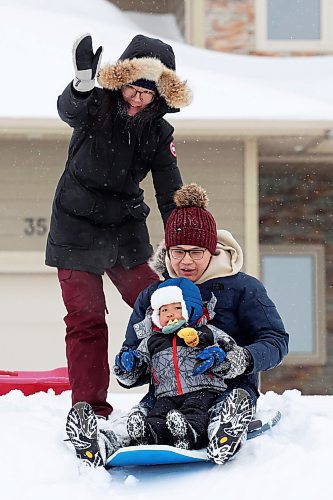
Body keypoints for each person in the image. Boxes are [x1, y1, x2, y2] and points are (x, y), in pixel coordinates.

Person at [66, 183, 288, 467]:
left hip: (226, 390)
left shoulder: (243, 288)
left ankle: (224, 429)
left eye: (196, 252)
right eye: (178, 251)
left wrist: (240, 358)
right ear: (167, 252)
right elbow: (135, 350)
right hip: (165, 396)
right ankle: (102, 442)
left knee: (219, 410)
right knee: (140, 420)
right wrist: (129, 367)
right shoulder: (153, 296)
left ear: (212, 250)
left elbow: (275, 339)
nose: (186, 261)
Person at [45, 32, 192, 424]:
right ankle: (90, 410)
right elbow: (69, 110)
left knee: (163, 307)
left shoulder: (159, 132)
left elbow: (169, 189)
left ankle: (179, 396)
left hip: (124, 231)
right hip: (75, 229)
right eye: (133, 87)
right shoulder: (97, 105)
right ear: (120, 80)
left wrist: (184, 236)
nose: (138, 97)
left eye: (148, 91)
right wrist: (81, 83)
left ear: (161, 93)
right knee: (86, 318)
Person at [114, 276, 238, 450]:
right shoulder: (151, 341)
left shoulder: (206, 332)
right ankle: (149, 434)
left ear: (190, 308)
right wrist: (131, 364)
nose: (170, 313)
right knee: (158, 415)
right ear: (156, 315)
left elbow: (229, 345)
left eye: (177, 308)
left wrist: (219, 353)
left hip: (202, 389)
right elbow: (142, 362)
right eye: (164, 310)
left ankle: (189, 434)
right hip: (166, 394)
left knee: (196, 412)